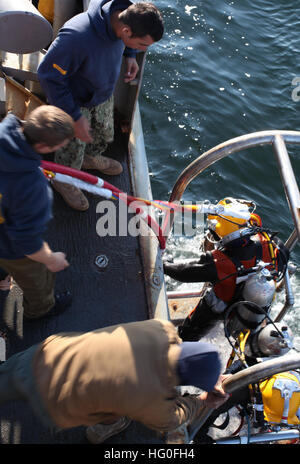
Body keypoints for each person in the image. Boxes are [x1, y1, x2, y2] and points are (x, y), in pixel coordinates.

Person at [0, 318, 229, 443]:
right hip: (52, 400)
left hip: (46, 353)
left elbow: (177, 344)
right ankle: (98, 432)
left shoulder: (160, 328)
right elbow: (171, 419)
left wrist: (207, 369)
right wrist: (202, 400)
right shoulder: (151, 400)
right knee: (115, 407)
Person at [37, 0, 164, 211]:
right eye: (142, 45)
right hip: (74, 104)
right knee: (72, 148)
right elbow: (47, 74)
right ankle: (64, 180)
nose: (143, 50)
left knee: (104, 134)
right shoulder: (77, 37)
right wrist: (74, 118)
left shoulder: (127, 13)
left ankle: (88, 158)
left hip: (102, 95)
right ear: (126, 30)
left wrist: (131, 55)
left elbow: (127, 42)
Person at [164, 198, 290, 341]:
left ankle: (186, 340)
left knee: (189, 333)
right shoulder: (273, 246)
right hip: (253, 305)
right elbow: (283, 260)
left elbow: (183, 272)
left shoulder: (220, 262)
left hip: (220, 305)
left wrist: (165, 264)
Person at [0, 105, 74, 320]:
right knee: (37, 281)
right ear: (42, 146)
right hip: (9, 246)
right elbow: (28, 242)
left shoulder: (6, 125)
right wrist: (51, 259)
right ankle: (40, 310)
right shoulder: (33, 187)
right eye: (61, 145)